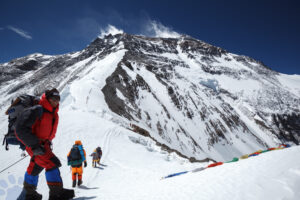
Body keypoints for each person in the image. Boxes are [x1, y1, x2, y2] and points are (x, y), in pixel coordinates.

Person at [15, 88, 74, 200]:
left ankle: (29, 194)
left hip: (44, 145)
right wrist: (35, 145)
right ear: (47, 98)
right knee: (52, 163)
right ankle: (56, 194)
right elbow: (20, 129)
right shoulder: (38, 110)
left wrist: (47, 142)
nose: (56, 101)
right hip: (35, 145)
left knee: (36, 166)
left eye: (58, 98)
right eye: (53, 98)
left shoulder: (54, 114)